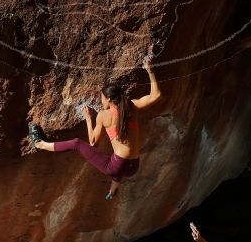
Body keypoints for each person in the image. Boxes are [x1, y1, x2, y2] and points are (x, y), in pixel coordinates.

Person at [28, 57, 161, 200]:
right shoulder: (132, 106)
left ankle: (40, 144)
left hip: (118, 165)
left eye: (102, 98)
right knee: (117, 168)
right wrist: (150, 70)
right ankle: (113, 189)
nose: (101, 100)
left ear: (109, 99)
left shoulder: (104, 116)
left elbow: (93, 143)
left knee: (77, 143)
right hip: (133, 167)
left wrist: (88, 120)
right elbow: (156, 96)